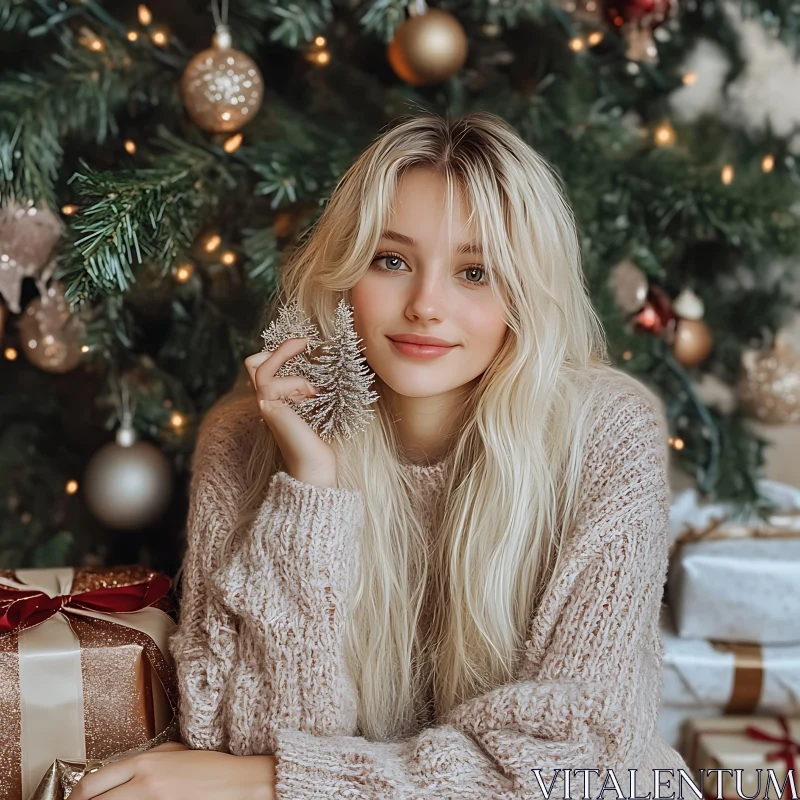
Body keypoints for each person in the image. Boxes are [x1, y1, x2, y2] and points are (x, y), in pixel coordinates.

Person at [71, 111, 690, 800]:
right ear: (344, 272)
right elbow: (237, 737)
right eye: (391, 260)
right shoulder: (248, 438)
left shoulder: (605, 436)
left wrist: (280, 784)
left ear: (526, 296)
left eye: (476, 272)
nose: (426, 304)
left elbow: (575, 767)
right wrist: (310, 491)